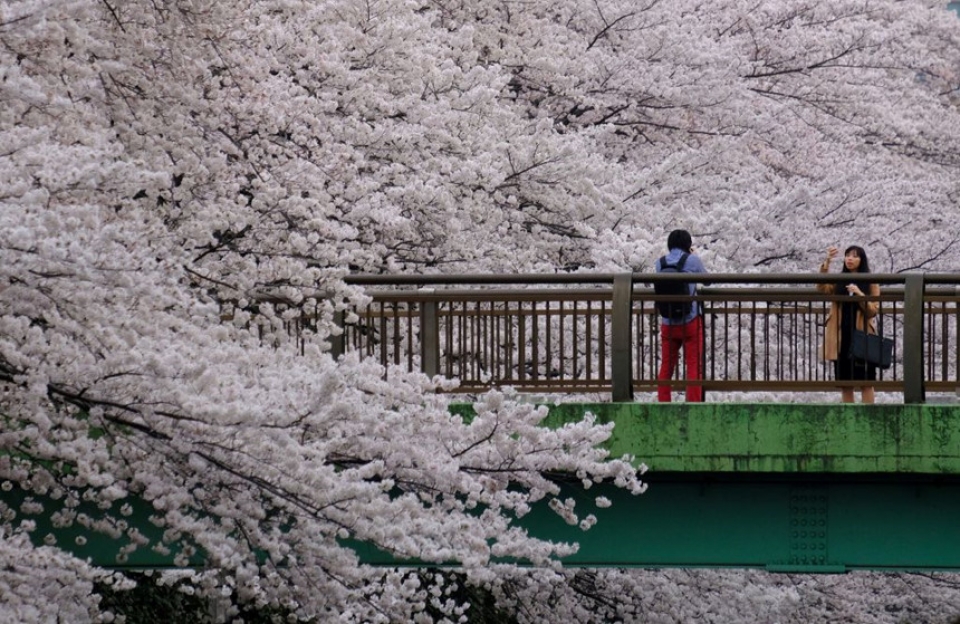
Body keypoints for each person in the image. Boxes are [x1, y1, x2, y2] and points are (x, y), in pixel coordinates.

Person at [816, 245, 880, 404]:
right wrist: (827, 262)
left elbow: (872, 311)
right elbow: (822, 287)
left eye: (855, 256)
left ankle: (868, 418)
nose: (850, 259)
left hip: (862, 335)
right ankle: (848, 418)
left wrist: (859, 294)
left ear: (862, 260)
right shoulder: (839, 281)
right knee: (846, 384)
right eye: (847, 255)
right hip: (841, 335)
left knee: (866, 382)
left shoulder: (871, 282)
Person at [655, 229, 707, 402]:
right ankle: (693, 404)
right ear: (688, 245)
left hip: (668, 321)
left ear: (669, 245)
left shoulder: (660, 263)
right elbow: (708, 280)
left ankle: (663, 404)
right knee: (693, 365)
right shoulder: (693, 260)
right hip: (690, 320)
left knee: (666, 366)